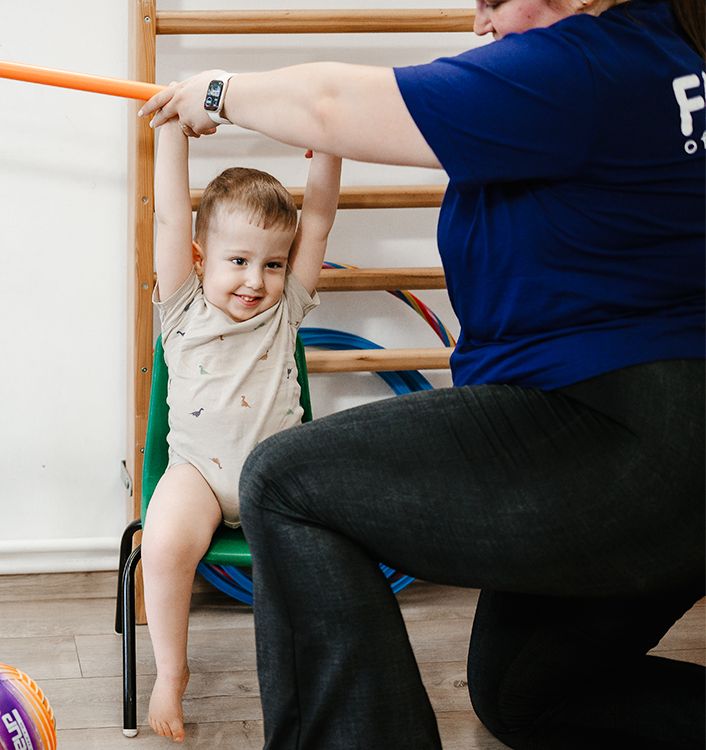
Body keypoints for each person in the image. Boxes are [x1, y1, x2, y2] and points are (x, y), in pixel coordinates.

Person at [138, 0, 705, 748]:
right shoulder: (666, 51)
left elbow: (332, 104)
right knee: (525, 691)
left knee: (285, 484)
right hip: (665, 456)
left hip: (620, 432)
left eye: (494, 1)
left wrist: (216, 91)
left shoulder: (586, 64)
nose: (478, 23)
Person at [141, 119, 341, 741]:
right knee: (164, 543)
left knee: (321, 557)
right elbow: (173, 218)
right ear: (201, 261)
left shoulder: (287, 309)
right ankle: (170, 672)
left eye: (272, 264)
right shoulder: (182, 306)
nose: (256, 280)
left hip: (276, 482)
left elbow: (322, 218)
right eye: (238, 261)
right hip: (198, 475)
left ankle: (316, 674)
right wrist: (171, 133)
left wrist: (329, 150)